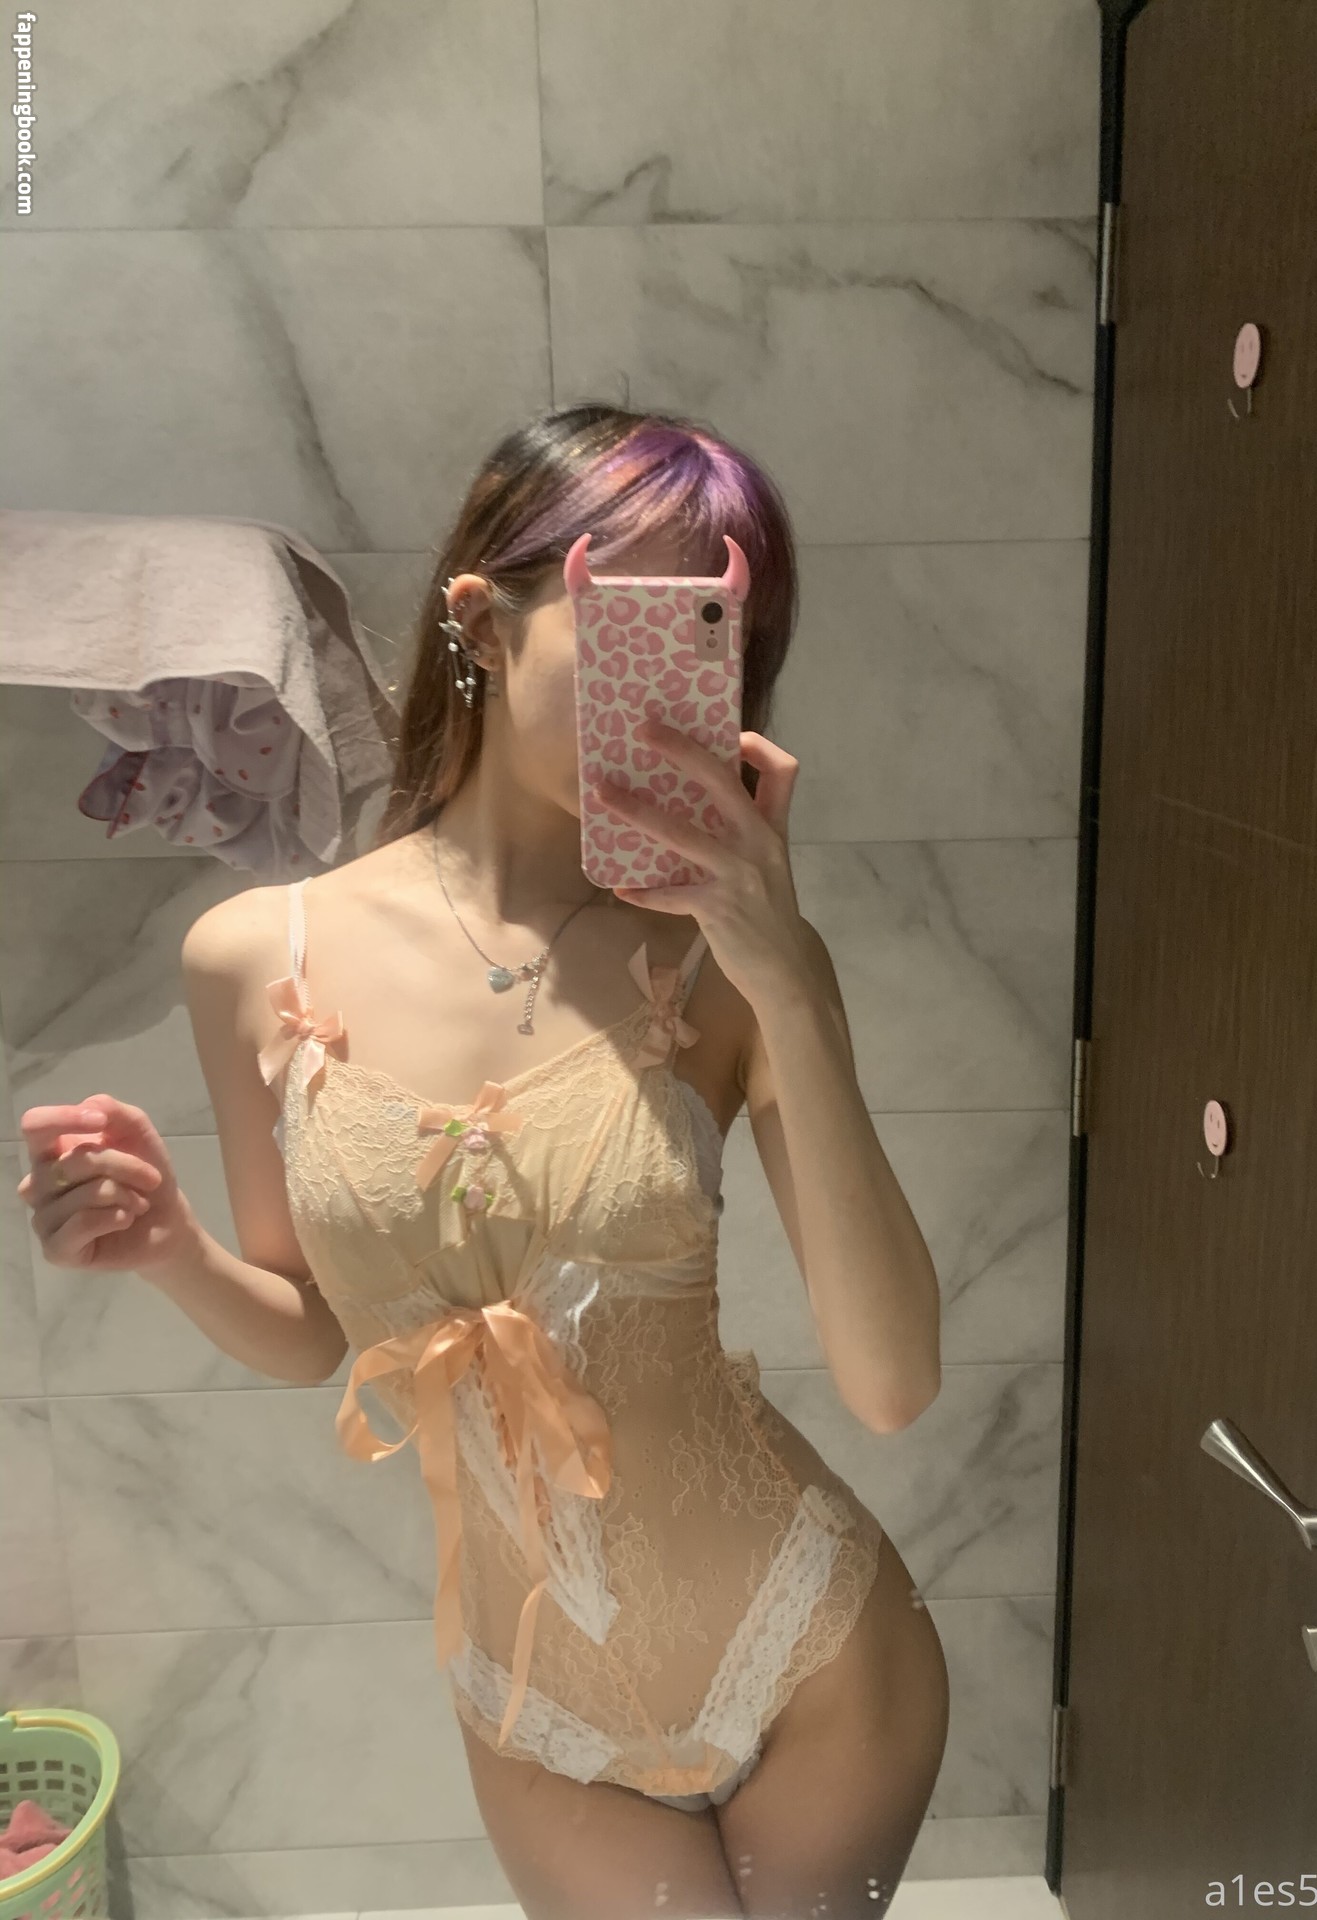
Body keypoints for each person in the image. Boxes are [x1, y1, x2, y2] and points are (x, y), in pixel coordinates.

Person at [19, 402, 950, 1920]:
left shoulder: (733, 966)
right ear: (481, 622)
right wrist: (173, 1250)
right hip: (535, 1708)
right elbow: (316, 1332)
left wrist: (786, 976)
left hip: (812, 1656)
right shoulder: (255, 958)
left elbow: (895, 1385)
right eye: (644, 620)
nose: (683, 688)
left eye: (723, 638)